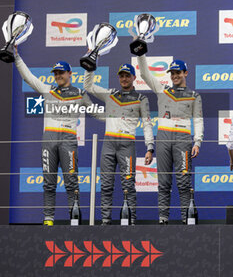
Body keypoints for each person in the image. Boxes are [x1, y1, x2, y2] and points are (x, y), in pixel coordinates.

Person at [14, 46, 100, 225]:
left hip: (68, 140)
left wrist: (116, 117)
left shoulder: (80, 93)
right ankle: (48, 219)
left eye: (61, 72)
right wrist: (16, 56)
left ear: (70, 74)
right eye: (56, 73)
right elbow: (27, 77)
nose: (58, 75)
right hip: (49, 140)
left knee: (71, 182)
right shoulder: (48, 90)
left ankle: (74, 219)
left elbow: (95, 113)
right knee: (48, 183)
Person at [84, 63, 154, 225]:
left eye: (127, 75)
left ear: (134, 78)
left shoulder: (141, 99)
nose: (124, 78)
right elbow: (87, 85)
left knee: (128, 185)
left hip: (127, 145)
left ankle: (131, 221)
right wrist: (90, 65)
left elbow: (147, 124)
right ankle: (105, 221)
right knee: (106, 184)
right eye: (121, 76)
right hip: (108, 144)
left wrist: (150, 147)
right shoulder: (110, 94)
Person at [137, 56, 204, 224]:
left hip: (183, 139)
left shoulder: (194, 95)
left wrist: (197, 141)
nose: (175, 76)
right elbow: (144, 74)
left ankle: (186, 219)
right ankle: (163, 219)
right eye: (172, 73)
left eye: (178, 73)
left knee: (183, 182)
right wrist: (140, 53)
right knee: (163, 182)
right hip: (163, 138)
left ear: (185, 73)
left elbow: (198, 120)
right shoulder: (162, 90)